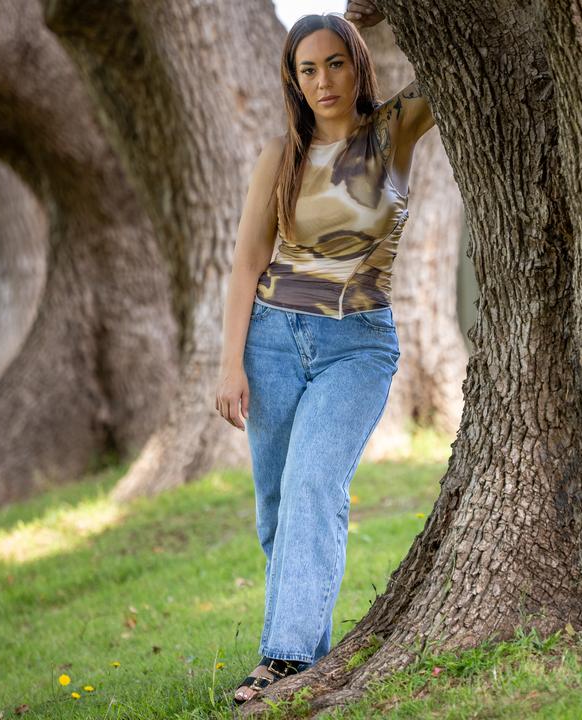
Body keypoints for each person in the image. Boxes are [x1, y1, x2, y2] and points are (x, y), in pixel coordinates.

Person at [212, 2, 434, 705]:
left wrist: (383, 10)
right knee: (277, 509)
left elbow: (455, 65)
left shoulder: (394, 130)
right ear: (294, 80)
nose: (323, 81)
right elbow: (247, 263)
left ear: (357, 64)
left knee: (313, 484)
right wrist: (230, 364)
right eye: (307, 70)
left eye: (335, 63)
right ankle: (308, 650)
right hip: (272, 340)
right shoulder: (280, 157)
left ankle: (281, 659)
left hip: (356, 346)